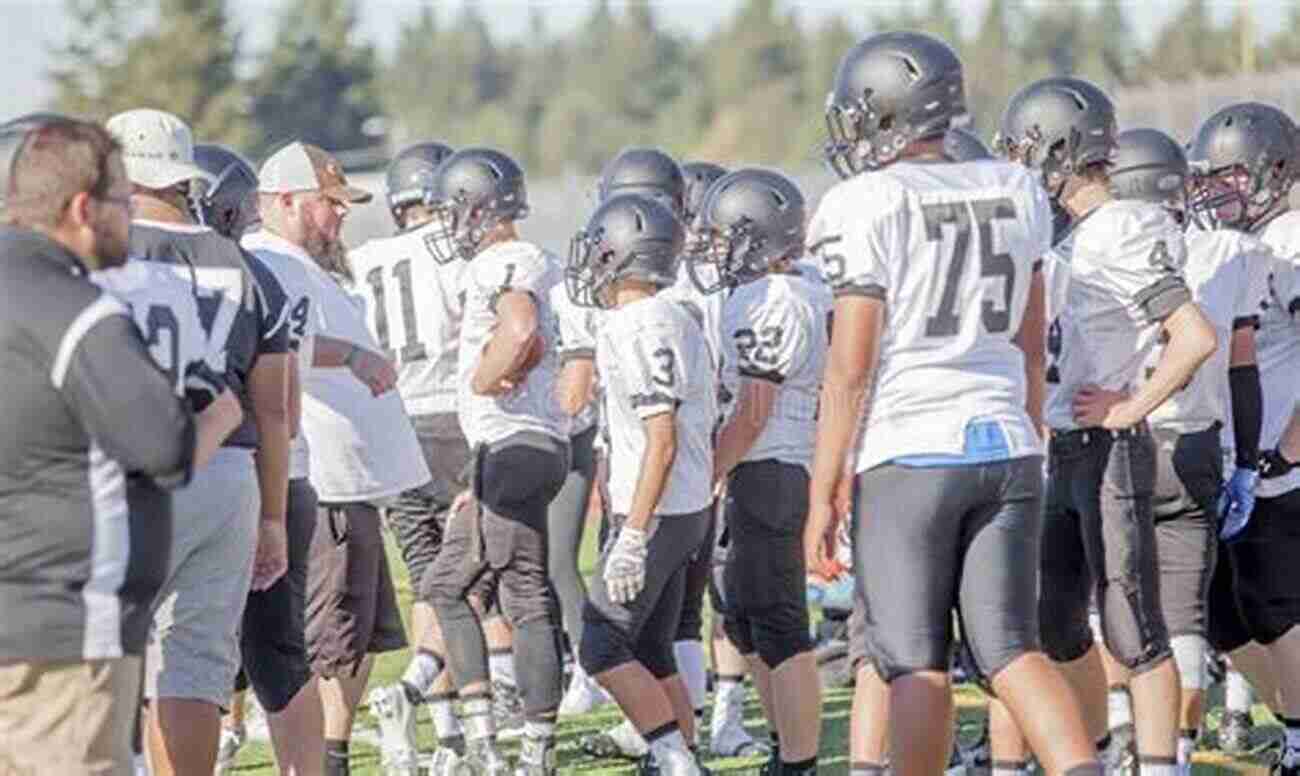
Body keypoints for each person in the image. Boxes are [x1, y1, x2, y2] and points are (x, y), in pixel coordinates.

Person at [805, 33, 1104, 776]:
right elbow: (1032, 344)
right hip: (1007, 443)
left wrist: (824, 485)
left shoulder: (866, 200)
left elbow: (851, 365)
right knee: (1010, 647)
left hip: (912, 448)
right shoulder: (1014, 187)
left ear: (886, 111)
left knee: (914, 660)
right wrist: (1028, 431)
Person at [0, 114, 241, 776]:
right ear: (82, 207)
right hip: (63, 629)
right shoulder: (77, 308)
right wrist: (218, 415)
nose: (129, 217)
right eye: (120, 201)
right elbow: (162, 446)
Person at [996, 76, 1218, 776]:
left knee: (1132, 629)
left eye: (1030, 148)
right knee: (1056, 630)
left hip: (1107, 451)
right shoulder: (1071, 233)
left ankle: (1159, 766)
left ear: (1062, 148)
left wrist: (1130, 407)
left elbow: (1193, 336)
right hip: (1059, 450)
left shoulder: (1123, 226)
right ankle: (1091, 757)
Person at [106, 107, 294, 776]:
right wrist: (273, 517)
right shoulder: (249, 269)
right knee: (190, 667)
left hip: (124, 470)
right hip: (229, 475)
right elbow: (274, 413)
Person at [245, 140, 428, 776]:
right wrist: (350, 355)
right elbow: (282, 340)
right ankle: (316, 759)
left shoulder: (301, 261)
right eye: (330, 204)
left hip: (354, 482)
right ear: (286, 201)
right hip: (322, 479)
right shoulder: (267, 260)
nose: (341, 215)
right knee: (325, 635)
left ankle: (335, 754)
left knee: (360, 632)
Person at [1108, 126, 1271, 775]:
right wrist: (1247, 464)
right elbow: (1242, 367)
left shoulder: (1095, 248)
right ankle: (1168, 758)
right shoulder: (1228, 251)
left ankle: (1119, 735)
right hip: (1198, 443)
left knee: (1110, 603)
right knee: (1185, 619)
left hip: (1120, 437)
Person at [419, 146, 571, 776]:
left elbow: (521, 326)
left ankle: (508, 746)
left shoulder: (502, 261)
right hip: (526, 447)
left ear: (475, 208)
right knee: (477, 586)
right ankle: (505, 741)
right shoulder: (537, 259)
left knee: (499, 591)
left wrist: (486, 378)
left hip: (513, 444)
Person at [569, 193, 717, 776]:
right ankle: (680, 755)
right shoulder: (674, 315)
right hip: (683, 504)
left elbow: (662, 437)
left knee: (601, 645)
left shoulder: (640, 324)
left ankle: (674, 758)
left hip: (657, 508)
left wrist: (632, 532)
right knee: (652, 648)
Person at [691, 167, 829, 775]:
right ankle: (784, 747)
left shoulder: (769, 299)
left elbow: (753, 409)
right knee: (746, 617)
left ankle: (796, 760)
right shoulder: (796, 290)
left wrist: (708, 472)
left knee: (776, 621)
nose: (715, 249)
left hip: (771, 466)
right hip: (773, 466)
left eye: (724, 236)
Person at [349, 139, 481, 776]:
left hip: (393, 426)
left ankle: (445, 725)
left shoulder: (364, 256)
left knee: (428, 576)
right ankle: (431, 699)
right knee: (470, 580)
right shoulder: (455, 251)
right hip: (455, 420)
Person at [1187, 102, 1300, 776]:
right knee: (1225, 619)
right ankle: (1291, 722)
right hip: (1242, 461)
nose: (1213, 192)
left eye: (1227, 177)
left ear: (1272, 171)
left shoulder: (1290, 239)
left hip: (1280, 463)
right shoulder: (1247, 245)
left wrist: (1289, 446)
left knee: (1275, 607)